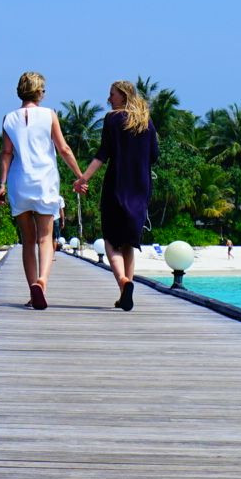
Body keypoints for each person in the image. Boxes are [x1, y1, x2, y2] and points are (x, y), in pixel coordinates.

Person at [0, 71, 84, 310]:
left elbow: (6, 153)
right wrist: (80, 176)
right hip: (44, 181)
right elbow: (64, 149)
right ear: (38, 92)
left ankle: (32, 291)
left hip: (18, 182)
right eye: (43, 89)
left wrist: (1, 185)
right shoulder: (49, 115)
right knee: (46, 238)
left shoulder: (8, 118)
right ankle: (42, 282)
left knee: (28, 241)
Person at [74, 80, 159, 311]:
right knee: (129, 241)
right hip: (140, 186)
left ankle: (123, 281)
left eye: (112, 94)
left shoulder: (112, 119)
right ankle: (125, 294)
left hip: (117, 184)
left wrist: (83, 179)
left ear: (123, 95)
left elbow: (103, 154)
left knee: (111, 240)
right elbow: (154, 155)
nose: (109, 99)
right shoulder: (146, 120)